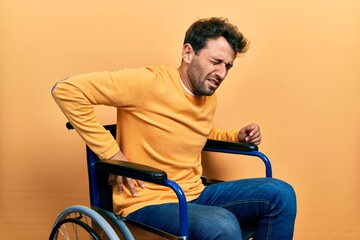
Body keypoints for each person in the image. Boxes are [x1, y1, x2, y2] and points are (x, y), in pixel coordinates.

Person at [52, 17, 296, 239]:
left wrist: (235, 136)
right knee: (222, 224)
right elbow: (66, 90)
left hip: (194, 192)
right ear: (188, 53)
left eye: (228, 66)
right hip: (148, 200)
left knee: (281, 194)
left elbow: (196, 133)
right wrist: (113, 154)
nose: (221, 73)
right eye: (216, 61)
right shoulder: (148, 83)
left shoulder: (207, 96)